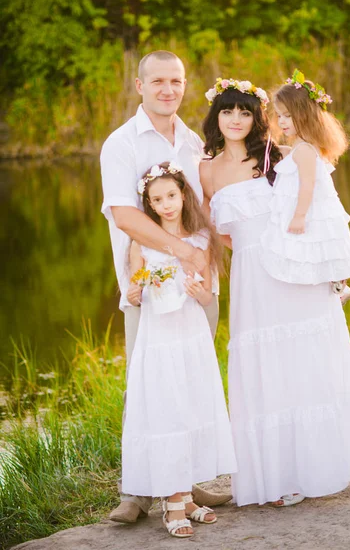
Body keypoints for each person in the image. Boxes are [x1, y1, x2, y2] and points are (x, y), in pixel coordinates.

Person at [200, 77, 350, 508]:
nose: (237, 119)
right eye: (228, 111)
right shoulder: (204, 169)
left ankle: (315, 468)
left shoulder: (274, 155)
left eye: (245, 111)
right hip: (249, 278)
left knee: (305, 360)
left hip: (291, 272)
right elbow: (213, 228)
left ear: (257, 117)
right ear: (216, 117)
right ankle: (276, 476)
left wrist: (323, 263)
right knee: (264, 366)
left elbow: (316, 198)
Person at [100, 51, 229, 524]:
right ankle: (137, 492)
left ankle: (187, 480)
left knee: (191, 380)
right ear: (139, 86)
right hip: (150, 291)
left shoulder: (194, 143)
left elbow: (208, 208)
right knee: (147, 384)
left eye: (175, 81)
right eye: (157, 81)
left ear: (185, 84)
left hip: (197, 289)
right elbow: (124, 214)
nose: (167, 89)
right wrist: (182, 253)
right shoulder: (121, 144)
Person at [121, 162, 237, 538]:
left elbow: (206, 295)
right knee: (166, 407)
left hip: (189, 334)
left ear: (183, 195)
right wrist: (135, 293)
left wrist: (198, 292)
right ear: (149, 204)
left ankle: (184, 496)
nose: (166, 204)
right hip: (159, 338)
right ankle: (173, 504)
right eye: (157, 199)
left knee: (188, 405)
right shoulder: (141, 242)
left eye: (171, 195)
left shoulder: (200, 240)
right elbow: (133, 292)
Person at [259, 69, 350, 299]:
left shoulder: (303, 149)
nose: (281, 121)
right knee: (317, 245)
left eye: (288, 116)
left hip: (308, 210)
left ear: (304, 116)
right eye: (279, 115)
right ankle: (334, 285)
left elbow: (307, 185)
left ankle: (335, 286)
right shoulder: (303, 146)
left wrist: (299, 215)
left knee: (311, 245)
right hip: (314, 209)